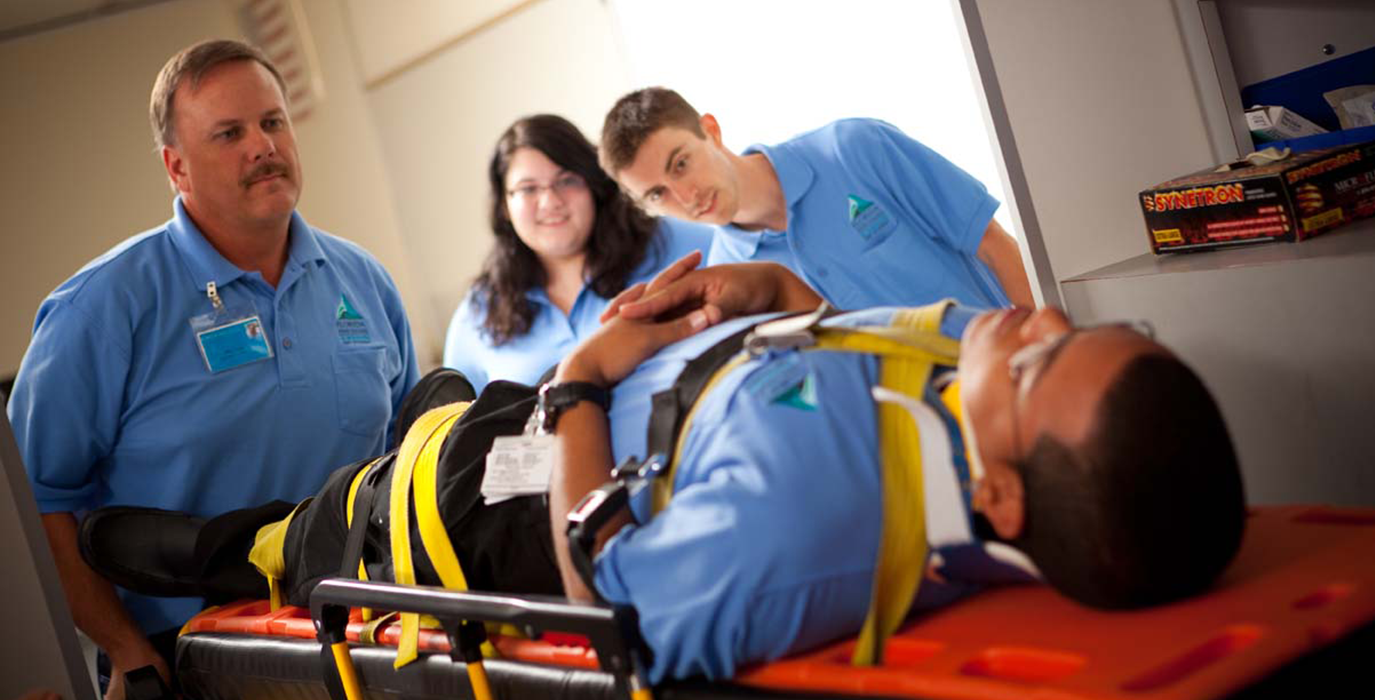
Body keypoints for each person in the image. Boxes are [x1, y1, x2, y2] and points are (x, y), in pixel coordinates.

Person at [83, 263, 1242, 685]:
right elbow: (846, 364)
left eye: (1040, 362)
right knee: (446, 403)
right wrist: (780, 301)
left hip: (504, 494)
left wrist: (586, 374)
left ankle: (204, 555)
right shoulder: (966, 375)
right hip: (575, 406)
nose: (1033, 316)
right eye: (1078, 323)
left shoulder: (806, 534)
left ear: (997, 498)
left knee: (340, 516)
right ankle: (419, 425)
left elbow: (612, 595)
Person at [7, 39, 418, 696]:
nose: (262, 146)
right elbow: (36, 503)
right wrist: (126, 649)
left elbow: (407, 457)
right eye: (229, 133)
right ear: (177, 168)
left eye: (272, 122)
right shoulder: (104, 306)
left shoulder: (362, 280)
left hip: (365, 636)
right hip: (196, 655)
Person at [597, 87, 1035, 311]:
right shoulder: (731, 279)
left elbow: (993, 244)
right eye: (657, 194)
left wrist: (1048, 350)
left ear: (710, 130)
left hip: (1015, 374)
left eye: (680, 164)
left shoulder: (856, 147)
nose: (685, 198)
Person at [441, 114, 714, 393]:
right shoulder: (478, 314)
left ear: (594, 184)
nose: (550, 202)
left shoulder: (671, 243)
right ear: (503, 206)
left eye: (567, 181)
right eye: (528, 189)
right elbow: (456, 428)